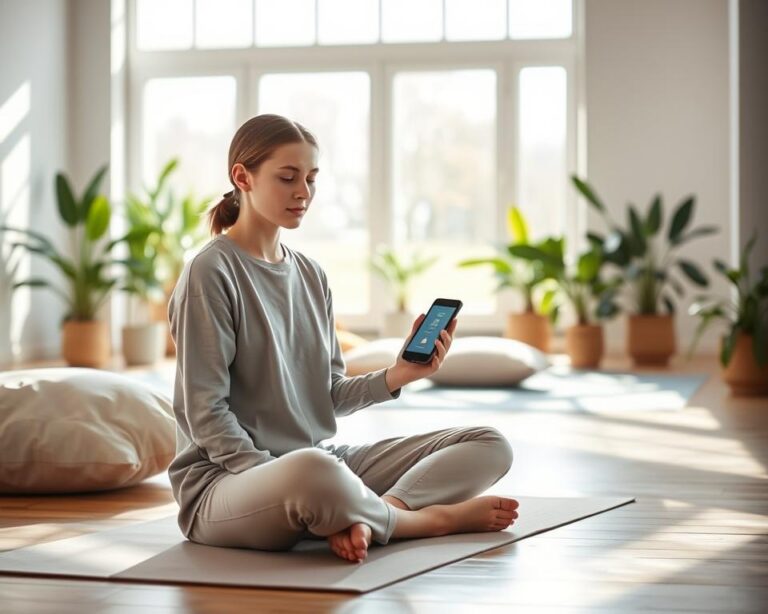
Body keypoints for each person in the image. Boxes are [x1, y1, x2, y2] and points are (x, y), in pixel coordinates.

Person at [167, 114, 519, 564]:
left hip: (315, 463)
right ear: (242, 177)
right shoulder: (210, 273)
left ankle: (375, 514)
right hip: (225, 484)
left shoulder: (311, 275)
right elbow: (206, 414)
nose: (304, 193)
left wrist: (399, 375)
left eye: (311, 179)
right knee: (314, 472)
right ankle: (428, 520)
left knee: (488, 442)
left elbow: (327, 396)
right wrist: (284, 478)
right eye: (288, 177)